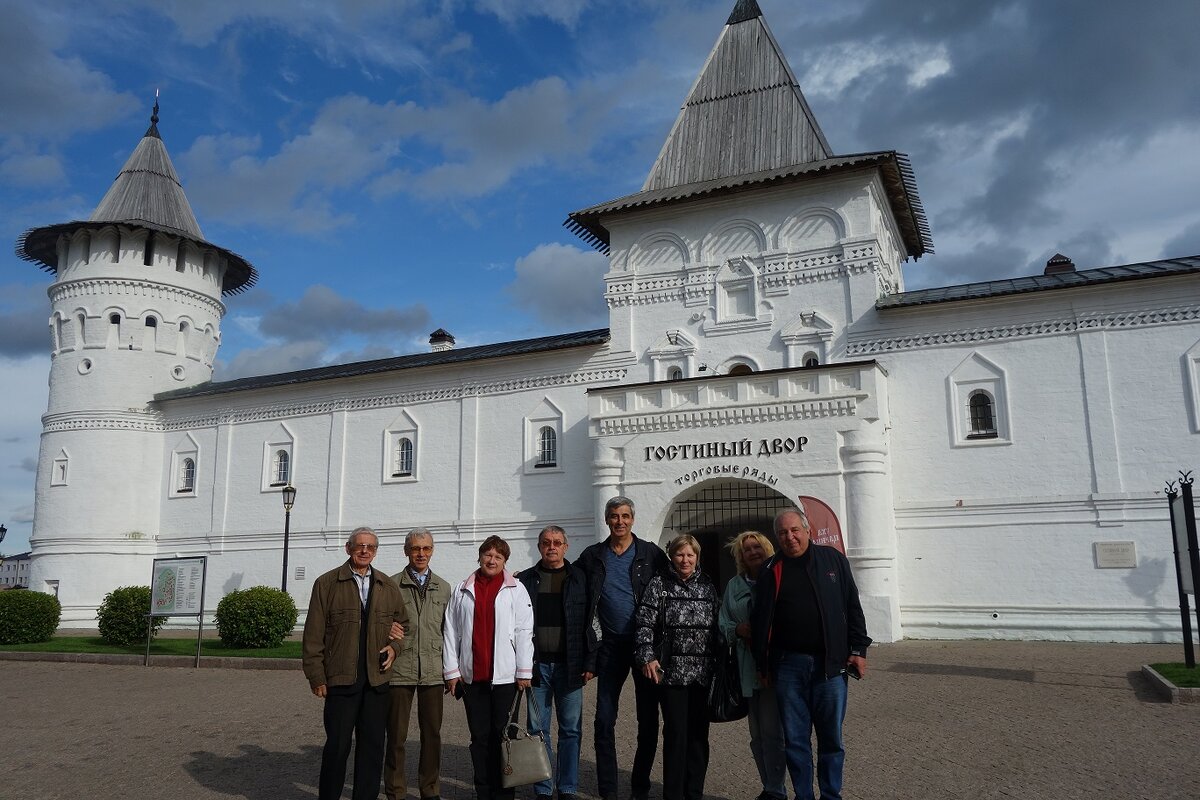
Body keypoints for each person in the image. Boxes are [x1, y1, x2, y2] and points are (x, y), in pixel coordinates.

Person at [751, 508, 871, 800]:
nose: (789, 537)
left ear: (808, 531)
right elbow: (760, 620)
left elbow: (852, 607)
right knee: (795, 741)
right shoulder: (770, 569)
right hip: (787, 667)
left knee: (831, 740)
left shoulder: (833, 561)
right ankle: (803, 796)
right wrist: (763, 664)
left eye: (794, 530)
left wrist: (858, 649)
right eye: (782, 533)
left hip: (829, 666)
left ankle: (831, 795)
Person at [303, 526, 408, 800]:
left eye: (370, 547)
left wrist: (395, 647)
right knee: (337, 747)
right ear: (348, 548)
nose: (364, 551)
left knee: (372, 748)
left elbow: (404, 625)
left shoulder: (387, 585)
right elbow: (313, 634)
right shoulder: (327, 584)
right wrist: (316, 676)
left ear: (375, 551)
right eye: (359, 546)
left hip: (377, 680)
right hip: (341, 680)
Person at [576, 496, 669, 800]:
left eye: (625, 516)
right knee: (603, 719)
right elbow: (568, 582)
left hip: (645, 646)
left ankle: (639, 788)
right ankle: (608, 791)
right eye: (614, 516)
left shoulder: (650, 554)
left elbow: (671, 591)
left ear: (633, 519)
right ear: (607, 520)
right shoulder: (593, 556)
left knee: (648, 720)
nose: (620, 522)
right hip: (611, 647)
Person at [443, 536, 534, 800]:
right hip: (474, 678)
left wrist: (524, 671)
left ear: (505, 561)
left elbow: (523, 630)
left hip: (506, 678)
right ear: (480, 556)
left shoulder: (516, 588)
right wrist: (452, 671)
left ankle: (505, 792)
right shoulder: (462, 590)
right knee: (480, 738)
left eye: (498, 557)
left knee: (504, 737)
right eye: (488, 555)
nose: (492, 560)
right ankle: (484, 791)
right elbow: (451, 631)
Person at [633, 534, 719, 800]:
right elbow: (644, 623)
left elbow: (717, 624)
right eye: (680, 554)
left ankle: (694, 792)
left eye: (690, 555)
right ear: (672, 556)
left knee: (698, 737)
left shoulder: (707, 585)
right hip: (671, 674)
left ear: (697, 557)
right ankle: (673, 793)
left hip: (702, 674)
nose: (685, 560)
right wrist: (647, 656)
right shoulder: (659, 584)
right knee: (676, 734)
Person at [516, 525, 599, 800]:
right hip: (536, 667)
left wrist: (590, 661)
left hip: (571, 665)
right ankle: (542, 788)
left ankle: (567, 787)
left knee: (571, 730)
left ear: (566, 546)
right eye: (546, 543)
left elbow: (591, 622)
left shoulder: (579, 579)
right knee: (537, 730)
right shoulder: (524, 580)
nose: (551, 547)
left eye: (557, 542)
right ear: (539, 547)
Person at [719, 531, 787, 800]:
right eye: (747, 549)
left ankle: (777, 789)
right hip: (745, 668)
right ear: (741, 556)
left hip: (771, 666)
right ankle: (768, 785)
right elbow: (722, 621)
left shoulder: (778, 577)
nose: (753, 552)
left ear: (766, 548)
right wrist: (737, 629)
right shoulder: (735, 585)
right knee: (757, 735)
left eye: (756, 547)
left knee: (773, 733)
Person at [385, 528, 450, 800]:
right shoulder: (390, 585)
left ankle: (430, 788)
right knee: (396, 736)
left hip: (434, 670)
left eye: (426, 549)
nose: (421, 554)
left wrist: (452, 671)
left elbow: (451, 631)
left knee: (432, 735)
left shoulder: (444, 587)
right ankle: (396, 790)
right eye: (415, 548)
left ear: (432, 550)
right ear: (406, 551)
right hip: (399, 669)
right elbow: (379, 623)